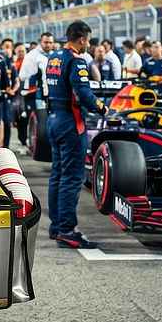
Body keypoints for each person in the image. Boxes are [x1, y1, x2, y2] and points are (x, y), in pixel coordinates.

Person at [45, 21, 105, 249]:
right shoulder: (76, 60)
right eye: (88, 40)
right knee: (71, 177)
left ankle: (56, 226)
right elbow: (84, 93)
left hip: (53, 119)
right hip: (71, 123)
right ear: (81, 39)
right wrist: (101, 107)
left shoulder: (54, 57)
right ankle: (67, 230)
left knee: (58, 174)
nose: (88, 44)